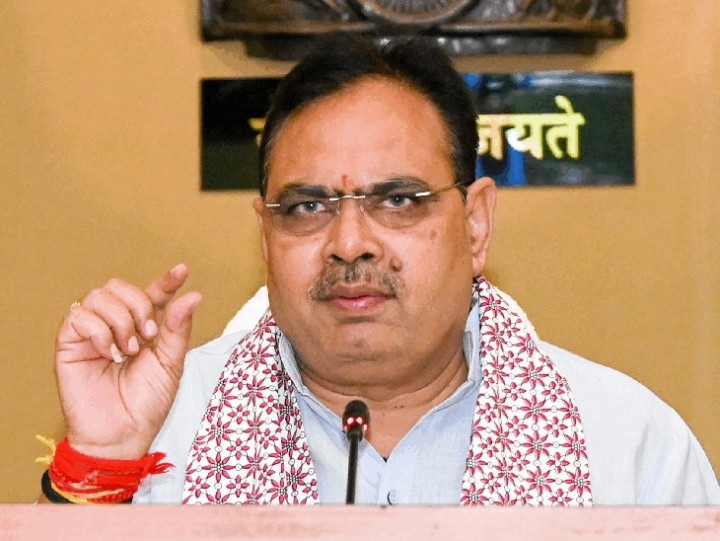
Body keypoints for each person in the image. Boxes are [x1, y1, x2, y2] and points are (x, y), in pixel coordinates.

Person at [45, 37, 719, 506]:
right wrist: (102, 461)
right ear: (266, 234)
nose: (349, 244)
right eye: (307, 207)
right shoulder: (167, 428)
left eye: (398, 200)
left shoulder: (627, 445)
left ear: (475, 223)